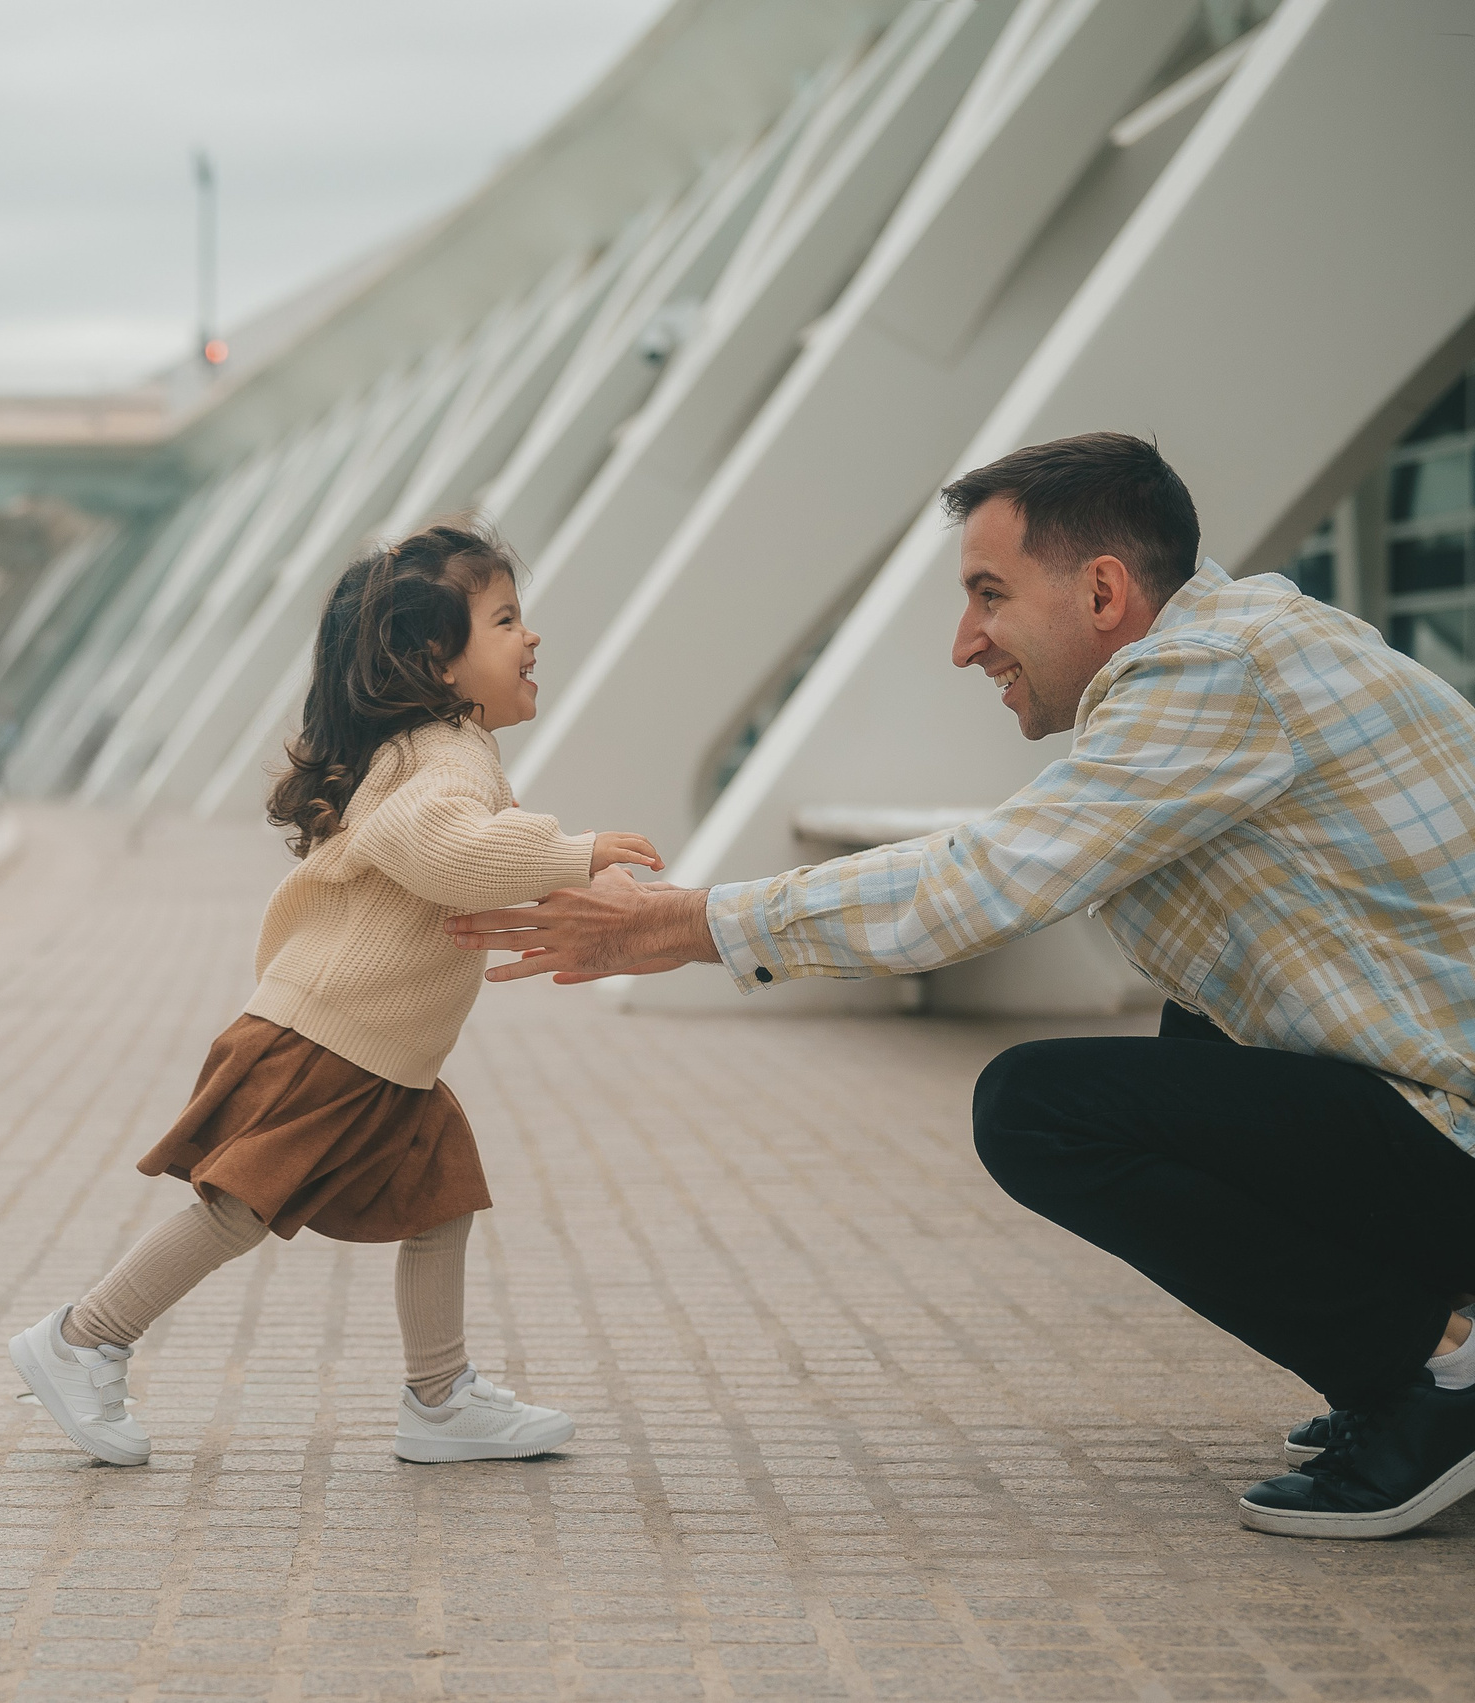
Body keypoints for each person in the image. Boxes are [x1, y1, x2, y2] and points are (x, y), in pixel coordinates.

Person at [446, 431, 1475, 1540]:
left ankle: (1420, 1392)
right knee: (1201, 1026)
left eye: (988, 593)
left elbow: (981, 883)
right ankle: (1411, 1348)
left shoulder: (1215, 675)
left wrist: (694, 921)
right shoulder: (1247, 646)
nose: (962, 642)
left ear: (1102, 589)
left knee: (1040, 1108)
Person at [9, 521, 663, 1466]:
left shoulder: (438, 746)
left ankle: (440, 1400)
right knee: (237, 1209)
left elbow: (459, 855)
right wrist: (577, 850)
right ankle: (83, 1338)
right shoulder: (444, 752)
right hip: (332, 1038)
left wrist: (560, 873)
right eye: (506, 620)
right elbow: (440, 852)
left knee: (441, 1194)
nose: (532, 639)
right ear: (437, 661)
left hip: (375, 1047)